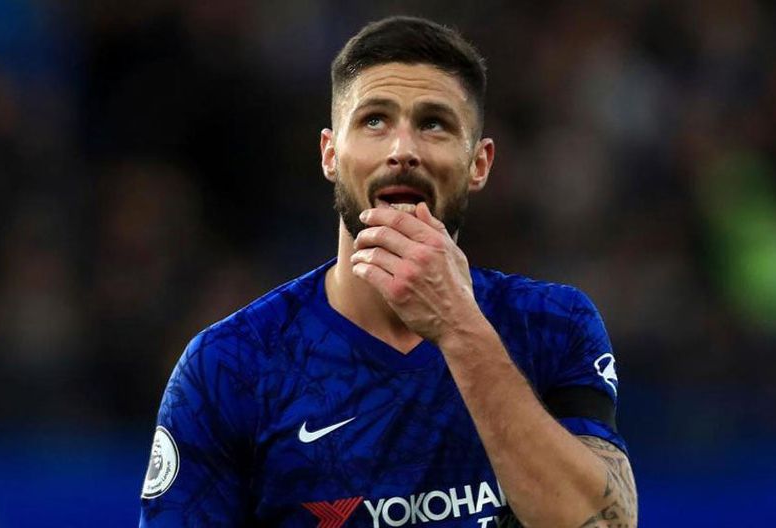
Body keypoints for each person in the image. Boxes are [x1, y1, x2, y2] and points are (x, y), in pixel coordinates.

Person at [139, 16, 637, 528]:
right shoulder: (229, 365)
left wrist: (458, 327)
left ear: (479, 164)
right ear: (330, 155)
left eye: (434, 124)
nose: (403, 152)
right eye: (374, 120)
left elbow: (607, 524)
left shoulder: (552, 325)